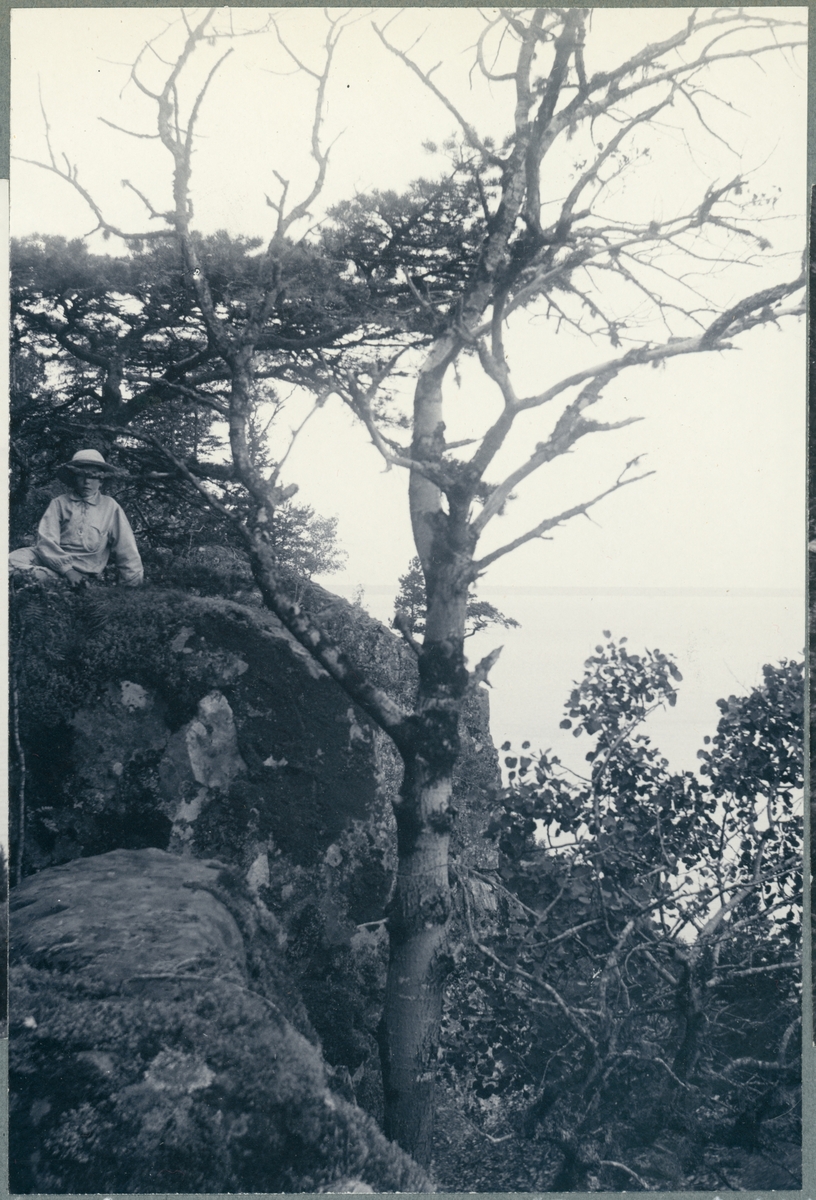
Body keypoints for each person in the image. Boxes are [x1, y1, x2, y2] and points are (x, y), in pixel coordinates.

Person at [9, 449, 144, 587]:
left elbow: (126, 548)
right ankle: (42, 577)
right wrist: (67, 570)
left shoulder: (110, 507)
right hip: (52, 561)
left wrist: (132, 583)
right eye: (81, 475)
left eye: (93, 476)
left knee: (36, 577)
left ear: (101, 481)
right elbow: (46, 541)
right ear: (73, 478)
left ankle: (60, 581)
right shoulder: (59, 503)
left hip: (82, 569)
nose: (87, 481)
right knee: (9, 561)